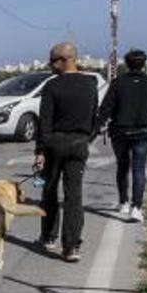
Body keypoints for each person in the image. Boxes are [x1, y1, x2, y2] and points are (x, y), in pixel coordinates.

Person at [34, 42, 99, 263]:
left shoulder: (52, 87)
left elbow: (45, 122)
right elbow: (94, 117)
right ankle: (71, 247)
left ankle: (49, 237)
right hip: (79, 144)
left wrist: (40, 150)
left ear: (65, 59)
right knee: (74, 197)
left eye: (53, 60)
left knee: (49, 192)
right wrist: (86, 139)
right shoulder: (90, 84)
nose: (51, 65)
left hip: (54, 144)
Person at [98, 49, 147, 224]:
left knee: (122, 166)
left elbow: (106, 108)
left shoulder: (117, 83)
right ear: (144, 64)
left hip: (120, 131)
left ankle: (123, 202)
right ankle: (136, 208)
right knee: (139, 168)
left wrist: (97, 127)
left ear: (127, 64)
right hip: (143, 131)